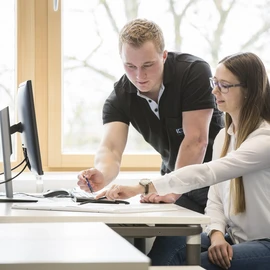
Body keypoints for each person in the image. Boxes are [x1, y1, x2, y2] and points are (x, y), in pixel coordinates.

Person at [97, 52, 270, 270]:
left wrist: (140, 188)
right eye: (214, 83)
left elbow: (208, 172)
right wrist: (216, 234)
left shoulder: (264, 139)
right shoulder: (224, 137)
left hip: (266, 244)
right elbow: (215, 198)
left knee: (198, 264)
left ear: (249, 91)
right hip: (234, 238)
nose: (214, 91)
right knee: (173, 240)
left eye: (224, 85)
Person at [77, 18, 223, 213]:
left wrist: (172, 188)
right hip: (173, 184)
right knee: (163, 243)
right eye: (130, 66)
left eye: (147, 65)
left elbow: (197, 140)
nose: (139, 76)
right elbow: (110, 149)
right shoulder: (119, 98)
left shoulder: (192, 71)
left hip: (217, 183)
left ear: (163, 56)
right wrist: (102, 175)